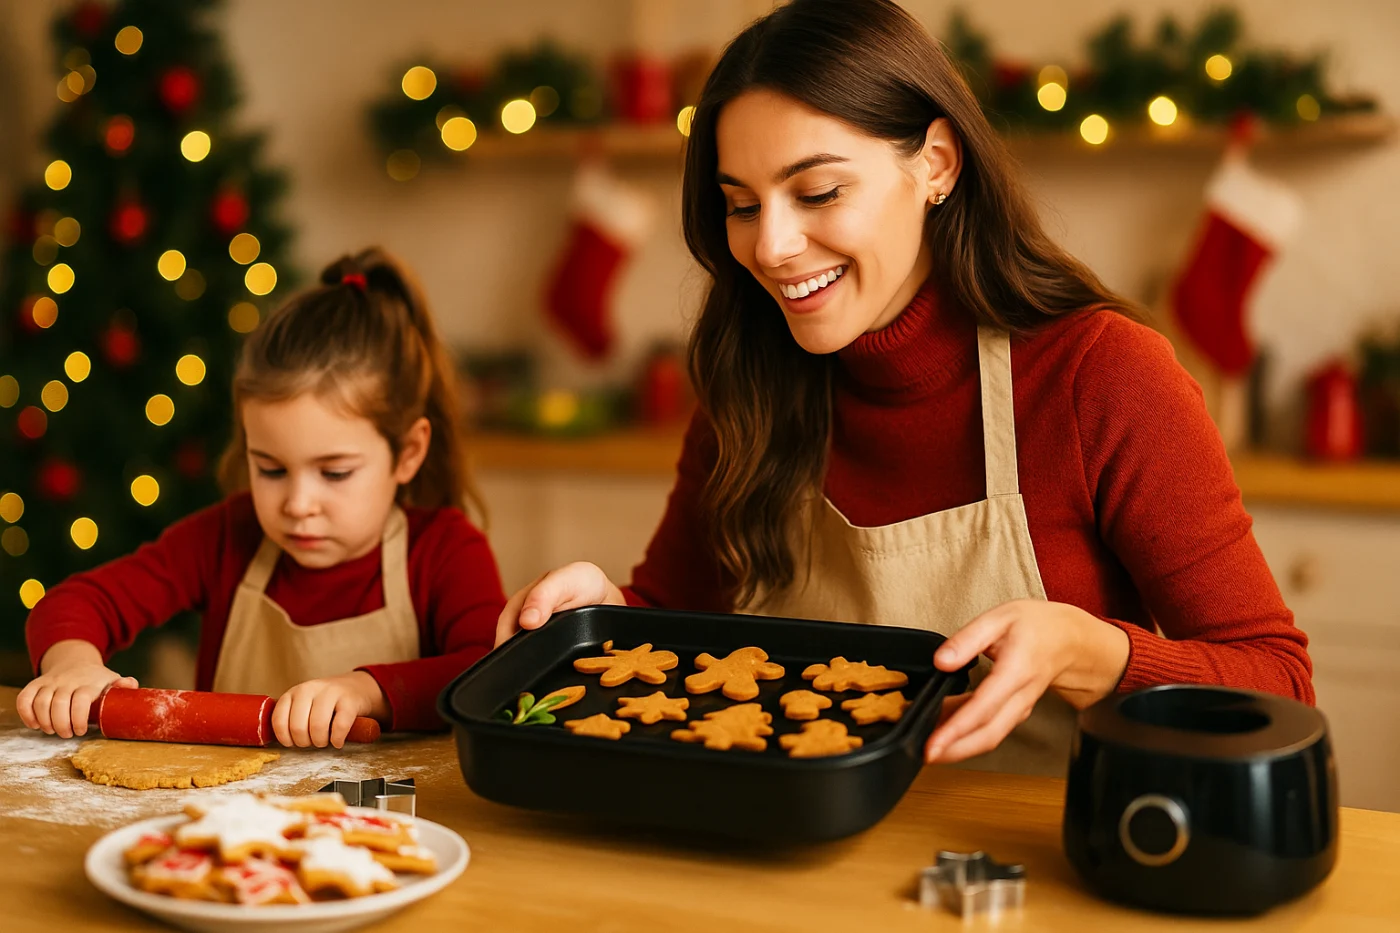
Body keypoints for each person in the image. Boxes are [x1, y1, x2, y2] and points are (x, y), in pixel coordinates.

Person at [495, 0, 1312, 775]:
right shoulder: (748, 379)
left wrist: (1095, 653)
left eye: (818, 192)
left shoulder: (1101, 376)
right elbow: (676, 630)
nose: (772, 246)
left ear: (937, 164)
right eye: (740, 205)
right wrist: (605, 615)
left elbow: (1281, 686)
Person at [19, 248, 506, 748]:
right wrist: (72, 664)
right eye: (270, 468)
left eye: (334, 473)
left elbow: (487, 670)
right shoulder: (227, 538)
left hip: (389, 820)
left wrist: (365, 691)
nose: (298, 503)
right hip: (228, 818)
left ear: (408, 452)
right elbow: (77, 601)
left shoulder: (447, 552)